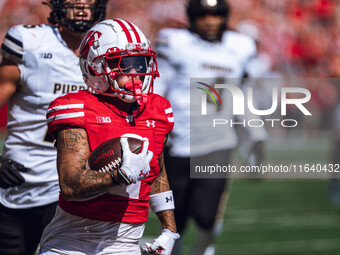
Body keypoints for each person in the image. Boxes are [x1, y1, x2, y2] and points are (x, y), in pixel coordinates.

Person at [39, 18, 180, 255]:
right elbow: (70, 185)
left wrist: (169, 229)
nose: (136, 72)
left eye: (141, 62)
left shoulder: (158, 109)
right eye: (125, 64)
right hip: (72, 242)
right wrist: (120, 175)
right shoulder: (78, 108)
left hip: (125, 244)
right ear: (95, 67)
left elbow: (157, 171)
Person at [154, 0, 267, 254]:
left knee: (207, 216)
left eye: (215, 16)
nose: (210, 21)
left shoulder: (239, 47)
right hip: (178, 142)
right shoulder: (175, 42)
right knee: (176, 216)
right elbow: (158, 89)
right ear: (192, 16)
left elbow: (242, 97)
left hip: (218, 142)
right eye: (203, 15)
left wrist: (257, 134)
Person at [0, 1, 108, 254]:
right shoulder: (31, 42)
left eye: (89, 1)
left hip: (74, 185)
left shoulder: (108, 50)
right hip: (19, 181)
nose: (82, 8)